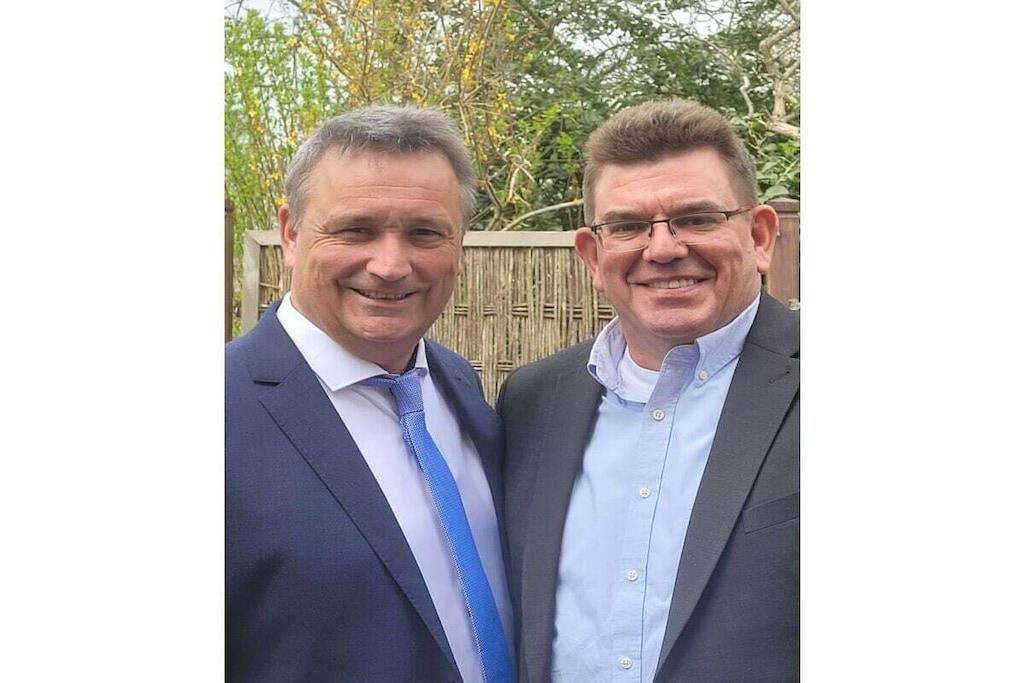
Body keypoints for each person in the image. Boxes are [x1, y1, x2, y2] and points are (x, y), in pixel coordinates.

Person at [498, 99, 799, 682]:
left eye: (698, 218)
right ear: (593, 255)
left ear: (760, 236)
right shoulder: (533, 402)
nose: (662, 249)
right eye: (628, 226)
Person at [226, 105, 514, 683]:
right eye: (355, 230)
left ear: (459, 244)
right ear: (290, 233)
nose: (389, 265)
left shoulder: (458, 385)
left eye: (424, 233)